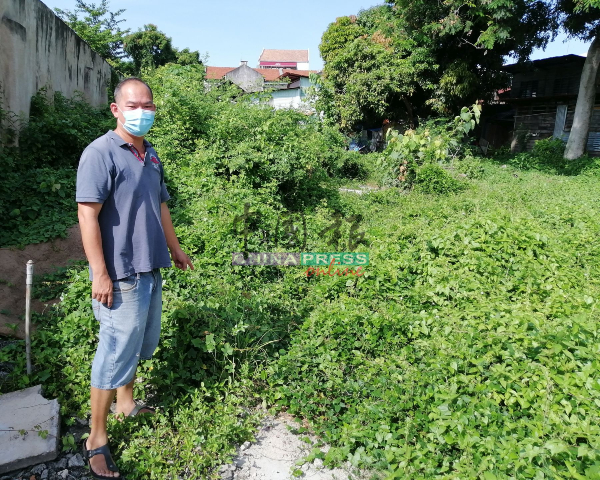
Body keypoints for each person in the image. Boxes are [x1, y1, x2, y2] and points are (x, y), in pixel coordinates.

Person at [76, 77, 194, 479]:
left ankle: (126, 403)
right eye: (133, 105)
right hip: (120, 274)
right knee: (113, 355)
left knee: (139, 343)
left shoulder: (151, 155)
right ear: (115, 109)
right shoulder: (100, 153)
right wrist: (100, 272)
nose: (141, 112)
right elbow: (87, 214)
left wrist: (175, 248)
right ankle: (95, 438)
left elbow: (160, 205)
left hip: (150, 265)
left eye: (148, 105)